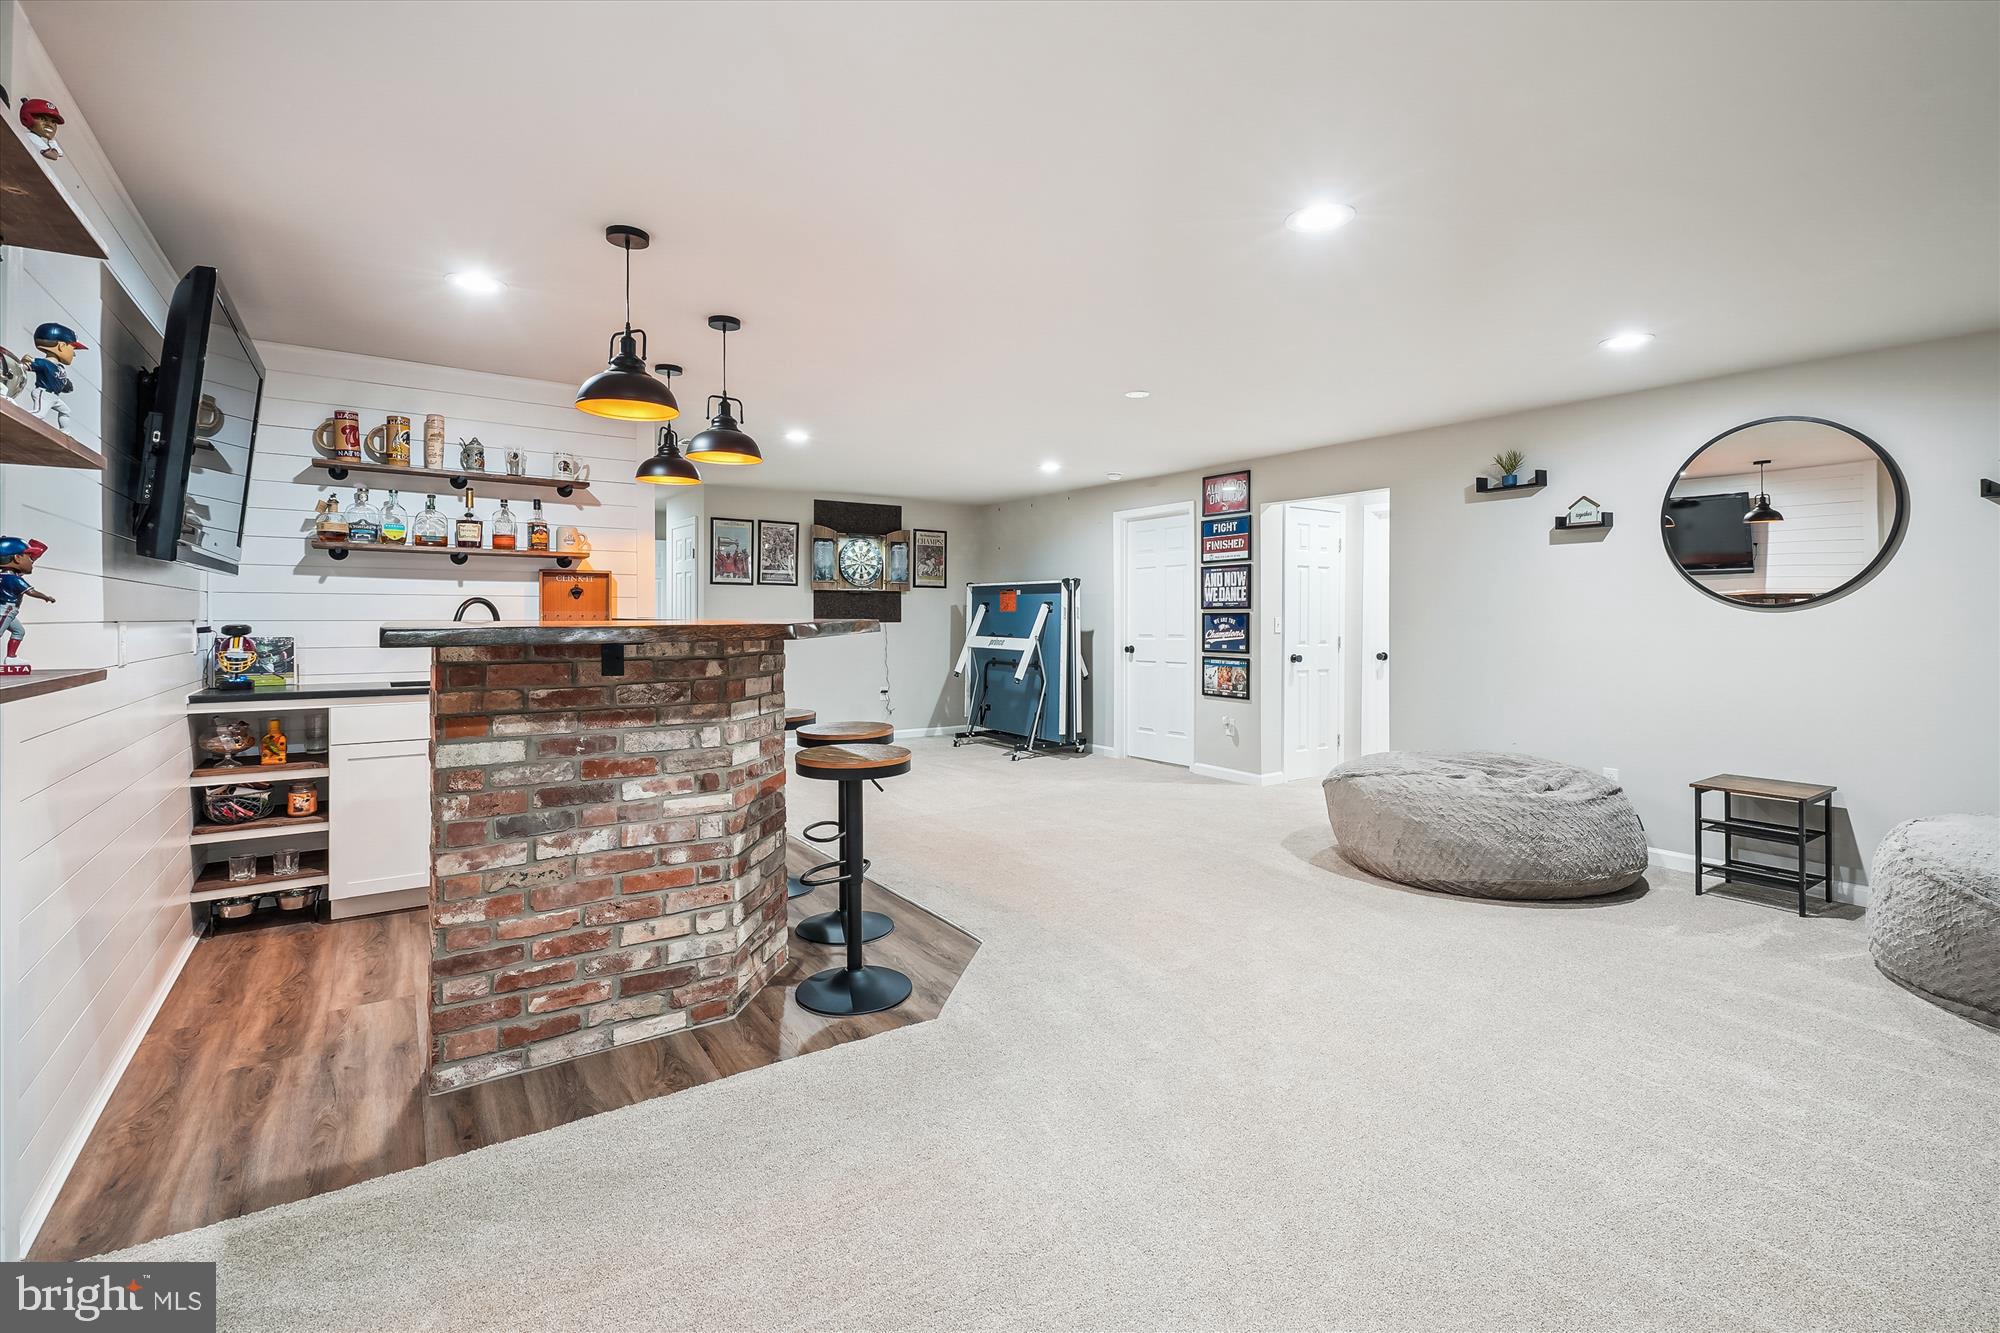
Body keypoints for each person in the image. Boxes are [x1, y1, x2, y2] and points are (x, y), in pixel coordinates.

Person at [0, 536, 54, 671]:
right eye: (29, 558)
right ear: (17, 558)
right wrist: (46, 597)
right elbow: (31, 592)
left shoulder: (6, 576)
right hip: (6, 610)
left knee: (19, 631)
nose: (32, 561)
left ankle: (11, 658)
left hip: (10, 611)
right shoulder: (13, 579)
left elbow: (24, 568)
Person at [18, 96, 63, 160]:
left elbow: (59, 154)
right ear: (28, 119)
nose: (50, 125)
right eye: (43, 119)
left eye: (53, 122)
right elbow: (53, 156)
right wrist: (52, 142)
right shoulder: (31, 137)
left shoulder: (34, 137)